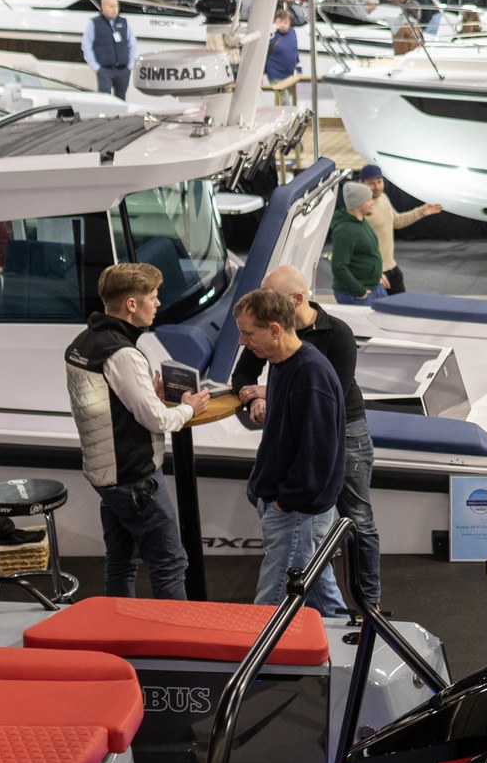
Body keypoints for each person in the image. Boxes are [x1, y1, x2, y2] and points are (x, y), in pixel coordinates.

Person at [232, 265, 380, 615]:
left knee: (272, 604)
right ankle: (351, 632)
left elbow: (317, 454)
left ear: (274, 328)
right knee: (319, 588)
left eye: (247, 333)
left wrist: (286, 501)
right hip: (291, 504)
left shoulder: (312, 371)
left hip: (298, 508)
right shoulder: (280, 359)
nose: (242, 342)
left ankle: (370, 606)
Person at [64, 263, 208, 600]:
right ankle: (175, 633)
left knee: (121, 562)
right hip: (135, 479)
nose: (157, 304)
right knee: (170, 564)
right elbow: (157, 421)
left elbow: (107, 404)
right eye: (153, 297)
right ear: (132, 304)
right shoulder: (123, 354)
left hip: (106, 476)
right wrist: (189, 408)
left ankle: (120, 624)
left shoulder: (82, 343)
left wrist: (147, 396)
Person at [357, 164, 443, 295]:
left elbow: (396, 221)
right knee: (377, 308)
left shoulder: (383, 198)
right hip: (373, 274)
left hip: (391, 268)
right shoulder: (358, 209)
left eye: (379, 182)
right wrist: (372, 272)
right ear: (361, 183)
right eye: (371, 184)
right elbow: (356, 246)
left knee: (400, 305)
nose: (377, 187)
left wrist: (422, 212)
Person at [329, 180, 388, 304]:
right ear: (358, 203)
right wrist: (360, 291)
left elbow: (367, 254)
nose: (372, 202)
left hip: (373, 287)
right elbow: (339, 267)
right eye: (368, 200)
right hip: (357, 294)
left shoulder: (360, 221)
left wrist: (377, 274)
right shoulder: (345, 231)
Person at [82, 0, 136, 98]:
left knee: (121, 99)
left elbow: (132, 44)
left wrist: (130, 65)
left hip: (123, 70)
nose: (115, 9)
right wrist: (96, 67)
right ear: (103, 7)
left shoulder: (124, 22)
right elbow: (86, 46)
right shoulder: (94, 23)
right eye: (111, 6)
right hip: (104, 70)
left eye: (116, 6)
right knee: (104, 99)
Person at [265, 8, 301, 84]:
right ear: (274, 22)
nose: (282, 25)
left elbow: (295, 51)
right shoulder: (271, 35)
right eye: (279, 22)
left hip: (289, 75)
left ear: (289, 23)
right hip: (275, 74)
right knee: (281, 92)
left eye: (285, 23)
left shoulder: (292, 32)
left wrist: (299, 69)